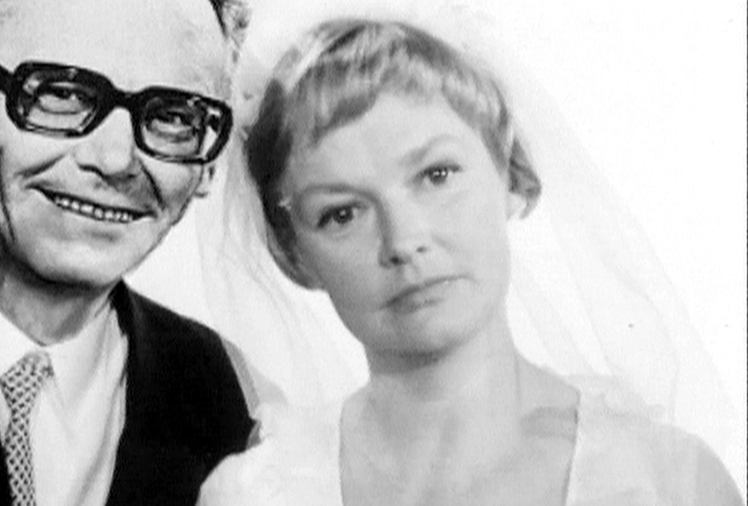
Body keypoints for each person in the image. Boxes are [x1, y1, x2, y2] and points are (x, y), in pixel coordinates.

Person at [196, 6, 744, 506]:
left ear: (510, 173)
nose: (403, 241)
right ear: (294, 253)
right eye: (342, 214)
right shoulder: (255, 495)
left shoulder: (667, 481)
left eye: (436, 175)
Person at [0, 0, 254, 504]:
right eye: (62, 93)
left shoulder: (224, 402)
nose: (115, 159)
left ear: (209, 164)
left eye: (172, 116)